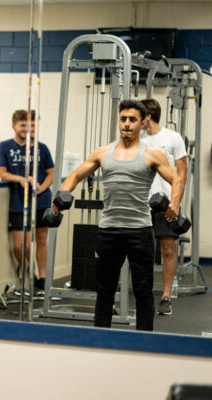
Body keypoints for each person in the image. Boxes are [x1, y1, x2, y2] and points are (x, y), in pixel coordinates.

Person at [52, 99, 181, 331]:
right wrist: (60, 199)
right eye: (123, 119)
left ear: (142, 124)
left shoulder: (152, 154)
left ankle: (143, 342)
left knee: (143, 291)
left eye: (132, 120)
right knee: (104, 292)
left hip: (140, 230)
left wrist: (175, 202)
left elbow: (176, 178)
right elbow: (74, 176)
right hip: (109, 230)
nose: (127, 124)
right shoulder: (103, 152)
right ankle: (101, 340)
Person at [0, 110, 54, 291]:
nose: (26, 129)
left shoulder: (41, 148)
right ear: (14, 126)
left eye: (30, 126)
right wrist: (20, 179)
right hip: (19, 202)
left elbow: (51, 173)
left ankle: (42, 278)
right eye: (22, 125)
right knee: (22, 245)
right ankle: (28, 271)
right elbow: (3, 174)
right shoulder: (5, 147)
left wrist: (41, 188)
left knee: (42, 238)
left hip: (41, 199)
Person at [140, 98, 187, 315]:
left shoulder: (172, 138)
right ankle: (143, 294)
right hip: (141, 201)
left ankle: (166, 296)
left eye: (138, 116)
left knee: (167, 249)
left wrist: (176, 202)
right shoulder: (136, 139)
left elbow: (182, 173)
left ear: (147, 117)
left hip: (166, 201)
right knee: (140, 250)